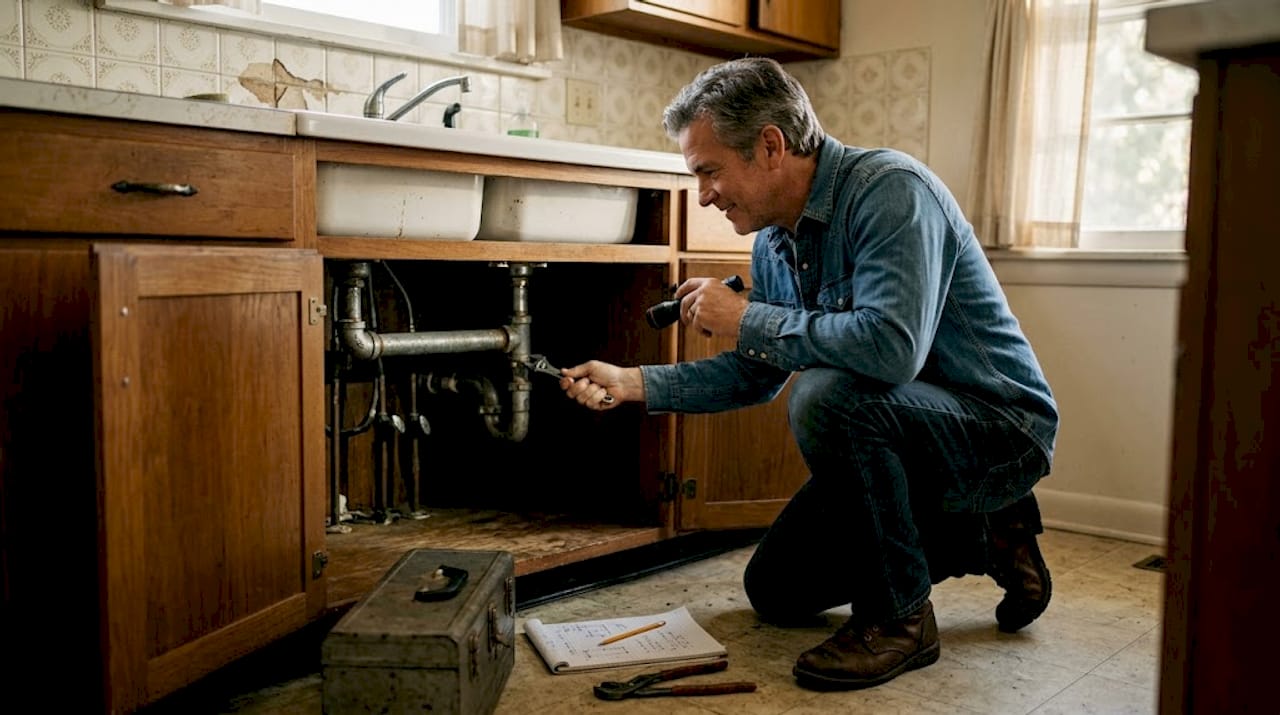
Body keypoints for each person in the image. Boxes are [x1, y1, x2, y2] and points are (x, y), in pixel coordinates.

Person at [559, 57, 1058, 692]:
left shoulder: (892, 192)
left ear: (770, 145)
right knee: (776, 589)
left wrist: (745, 318)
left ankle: (901, 620)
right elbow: (756, 374)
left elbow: (890, 351)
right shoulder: (774, 241)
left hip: (998, 427)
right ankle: (983, 528)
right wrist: (633, 382)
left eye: (709, 170)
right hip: (906, 429)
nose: (704, 193)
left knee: (828, 395)